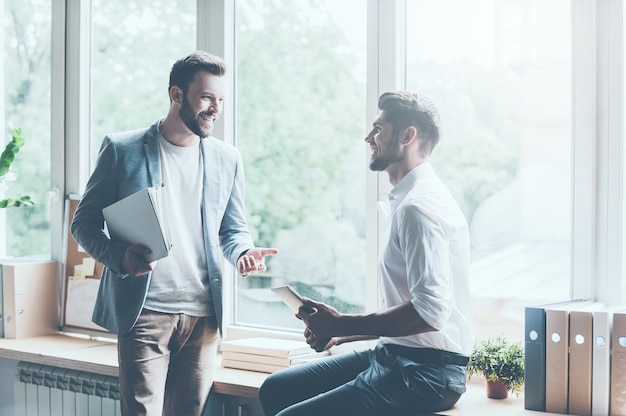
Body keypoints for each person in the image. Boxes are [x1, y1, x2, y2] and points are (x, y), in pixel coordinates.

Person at [71, 50, 279, 416]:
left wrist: (242, 252)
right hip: (146, 311)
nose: (215, 108)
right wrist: (118, 256)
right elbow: (83, 223)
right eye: (206, 97)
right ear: (177, 95)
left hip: (204, 317)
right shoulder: (123, 149)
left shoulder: (227, 158)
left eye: (220, 100)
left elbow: (232, 229)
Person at [259, 91, 474, 416]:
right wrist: (340, 332)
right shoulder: (407, 201)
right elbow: (415, 312)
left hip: (427, 373)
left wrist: (341, 323)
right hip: (395, 355)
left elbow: (431, 313)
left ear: (407, 136)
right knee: (276, 390)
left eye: (378, 129)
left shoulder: (419, 207)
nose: (368, 137)